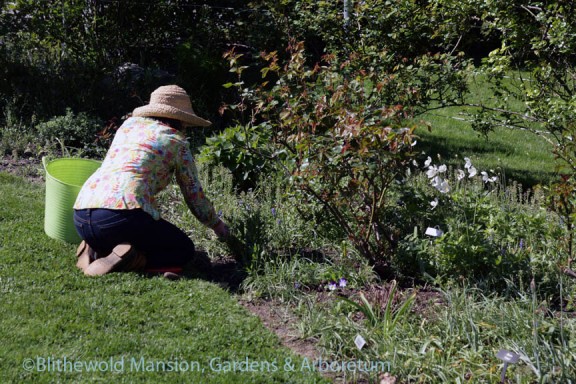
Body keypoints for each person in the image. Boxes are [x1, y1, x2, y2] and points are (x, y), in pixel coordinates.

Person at [73, 85, 229, 277]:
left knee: (130, 231)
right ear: (181, 119)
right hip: (120, 216)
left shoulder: (128, 126)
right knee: (184, 250)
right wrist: (217, 225)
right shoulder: (176, 141)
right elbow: (193, 194)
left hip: (81, 213)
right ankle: (130, 259)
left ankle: (96, 249)